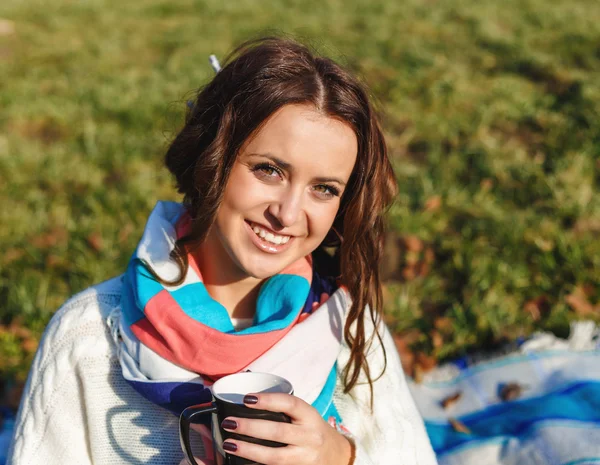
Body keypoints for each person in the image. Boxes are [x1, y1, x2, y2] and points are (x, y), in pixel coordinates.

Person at [7, 37, 438, 465]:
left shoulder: (350, 328)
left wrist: (340, 456)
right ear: (211, 160)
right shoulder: (88, 337)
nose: (288, 214)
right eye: (268, 170)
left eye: (323, 189)